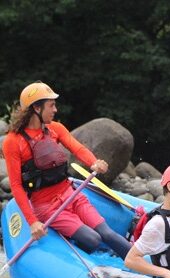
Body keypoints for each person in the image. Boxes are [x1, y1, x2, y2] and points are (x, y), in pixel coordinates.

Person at [1, 81, 131, 258]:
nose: (55, 110)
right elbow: (16, 185)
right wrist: (32, 222)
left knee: (107, 234)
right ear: (36, 108)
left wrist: (94, 162)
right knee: (92, 239)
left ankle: (147, 267)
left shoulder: (55, 129)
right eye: (51, 105)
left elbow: (78, 149)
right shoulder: (13, 142)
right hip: (47, 208)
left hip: (71, 195)